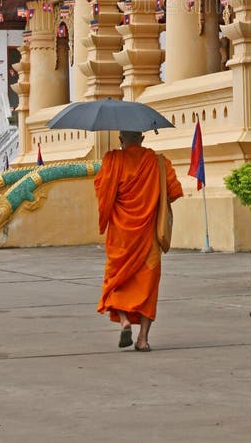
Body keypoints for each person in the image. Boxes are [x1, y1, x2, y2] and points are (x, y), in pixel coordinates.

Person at [94, 130, 183, 351]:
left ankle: (124, 321)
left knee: (117, 281)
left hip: (121, 239)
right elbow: (173, 192)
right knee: (148, 287)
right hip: (148, 238)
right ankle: (142, 339)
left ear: (121, 140)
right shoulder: (158, 162)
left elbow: (102, 191)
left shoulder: (112, 160)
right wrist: (151, 192)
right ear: (142, 139)